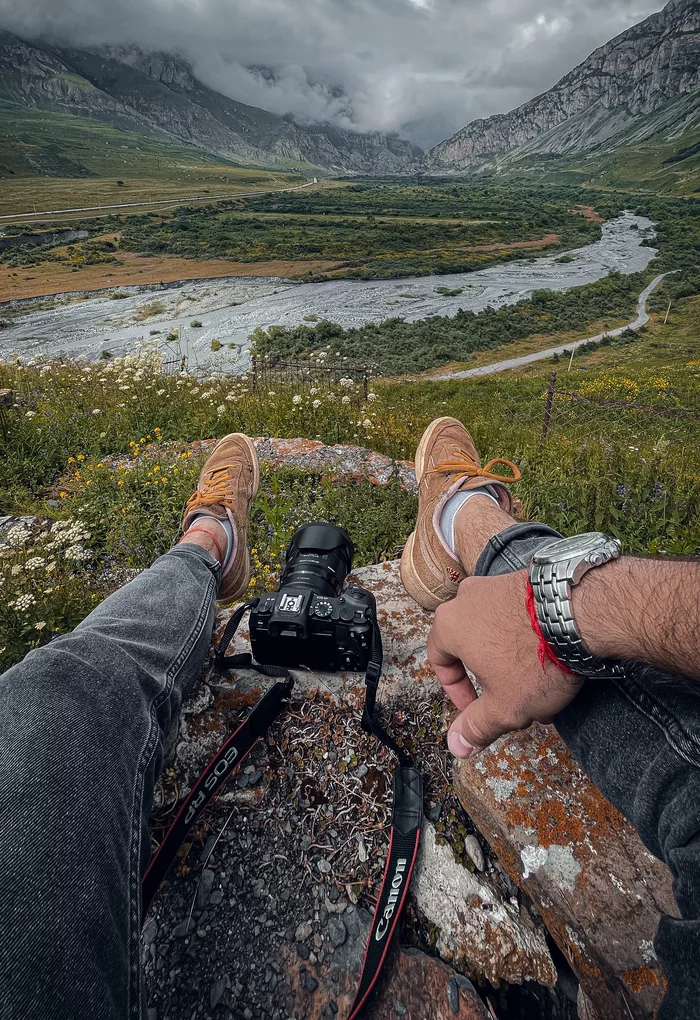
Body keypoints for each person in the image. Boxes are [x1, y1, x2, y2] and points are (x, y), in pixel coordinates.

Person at [0, 422, 697, 1019]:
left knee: (56, 686)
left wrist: (564, 613)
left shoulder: (269, 622)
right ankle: (464, 522)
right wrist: (566, 618)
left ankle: (207, 542)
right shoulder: (350, 613)